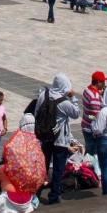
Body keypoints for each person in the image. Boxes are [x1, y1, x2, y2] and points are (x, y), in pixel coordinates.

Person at [36, 73, 81, 205]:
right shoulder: (64, 102)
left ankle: (36, 193)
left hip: (45, 137)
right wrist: (73, 98)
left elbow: (37, 112)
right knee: (58, 169)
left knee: (42, 167)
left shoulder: (43, 95)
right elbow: (76, 113)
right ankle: (54, 196)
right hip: (60, 140)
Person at [81, 72, 107, 160]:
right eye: (103, 82)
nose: (104, 84)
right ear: (98, 82)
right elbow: (96, 116)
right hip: (90, 129)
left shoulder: (87, 90)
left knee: (89, 149)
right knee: (92, 154)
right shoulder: (95, 96)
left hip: (85, 124)